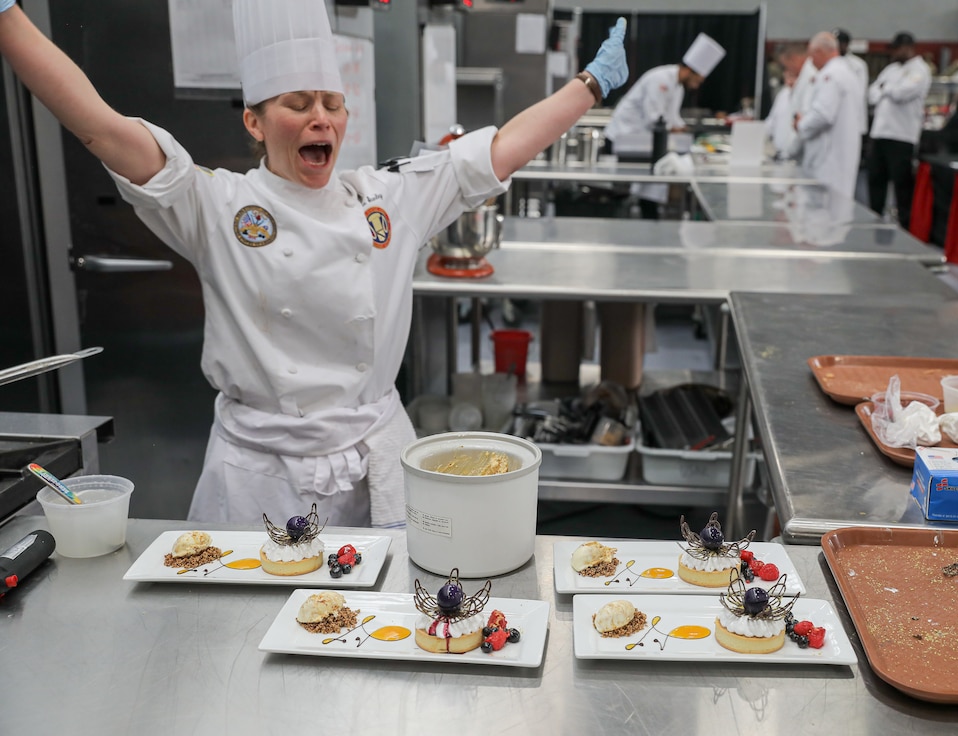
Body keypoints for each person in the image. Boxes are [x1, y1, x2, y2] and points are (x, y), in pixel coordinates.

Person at [0, 0, 629, 527]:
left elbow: (499, 151)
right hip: (258, 480)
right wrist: (11, 22)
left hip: (377, 465)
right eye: (298, 104)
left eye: (331, 103)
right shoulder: (218, 206)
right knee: (241, 648)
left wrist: (589, 85)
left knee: (385, 634)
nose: (320, 117)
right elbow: (103, 131)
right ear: (255, 120)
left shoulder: (386, 198)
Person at [603, 33, 725, 217]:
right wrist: (677, 130)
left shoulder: (677, 87)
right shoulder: (660, 79)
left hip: (641, 142)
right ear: (689, 70)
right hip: (623, 138)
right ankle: (622, 218)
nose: (696, 86)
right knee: (624, 189)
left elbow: (673, 118)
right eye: (697, 80)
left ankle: (648, 216)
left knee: (652, 182)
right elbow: (655, 118)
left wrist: (688, 130)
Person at [867, 31, 932, 230]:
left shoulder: (920, 70)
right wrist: (886, 89)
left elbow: (901, 93)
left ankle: (906, 226)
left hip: (902, 136)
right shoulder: (890, 70)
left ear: (908, 48)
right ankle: (873, 219)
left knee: (902, 185)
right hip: (879, 133)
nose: (893, 53)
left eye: (897, 49)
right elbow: (871, 94)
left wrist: (885, 89)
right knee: (875, 180)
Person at [794, 32, 864, 196]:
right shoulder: (846, 72)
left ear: (820, 52)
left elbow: (823, 115)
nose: (811, 61)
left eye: (812, 56)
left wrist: (801, 124)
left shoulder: (830, 75)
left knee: (823, 212)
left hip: (828, 158)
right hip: (841, 154)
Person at [834, 28, 869, 136]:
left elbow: (859, 94)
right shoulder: (829, 62)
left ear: (846, 44)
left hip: (852, 117)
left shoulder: (857, 65)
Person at [765, 67, 798, 158]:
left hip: (796, 154)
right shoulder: (783, 94)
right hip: (778, 153)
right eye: (787, 77)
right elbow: (771, 121)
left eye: (793, 77)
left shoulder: (806, 95)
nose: (789, 82)